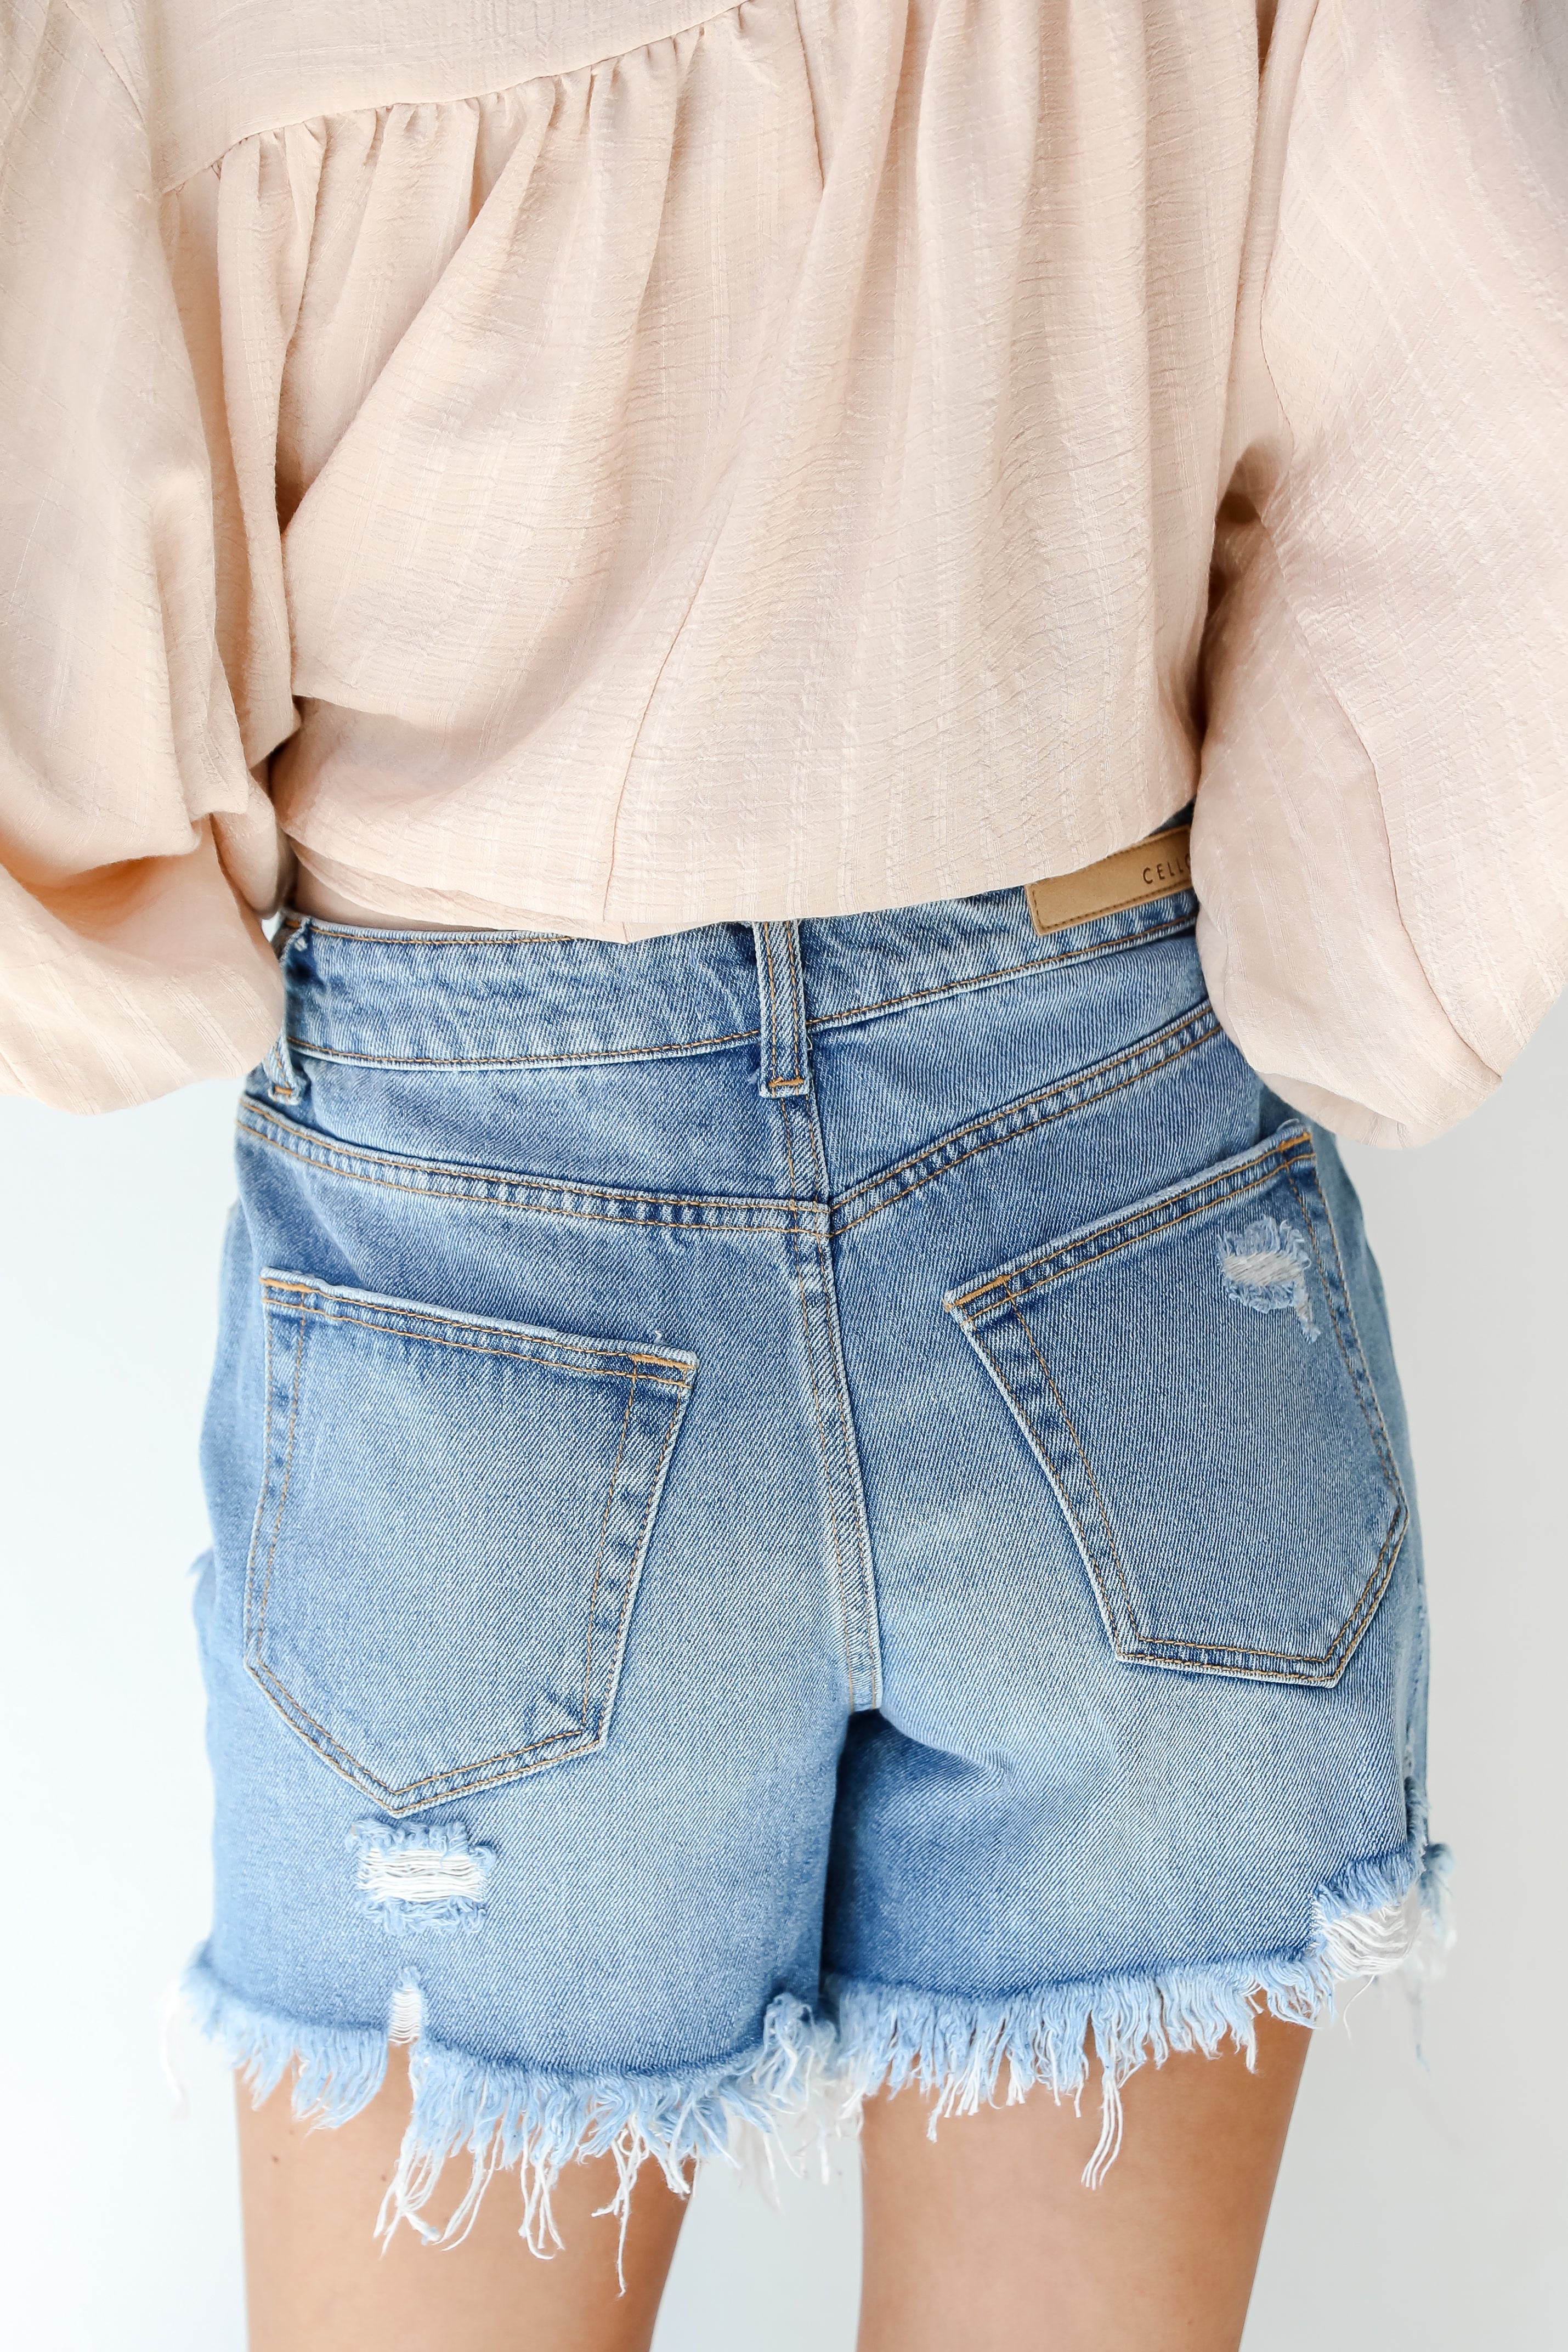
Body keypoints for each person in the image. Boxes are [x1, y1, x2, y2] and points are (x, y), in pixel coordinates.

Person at [2, 2, 1563, 2346]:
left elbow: (62, 663)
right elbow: (1503, 397)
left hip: (476, 1245)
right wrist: (1341, 966)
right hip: (1120, 1173)